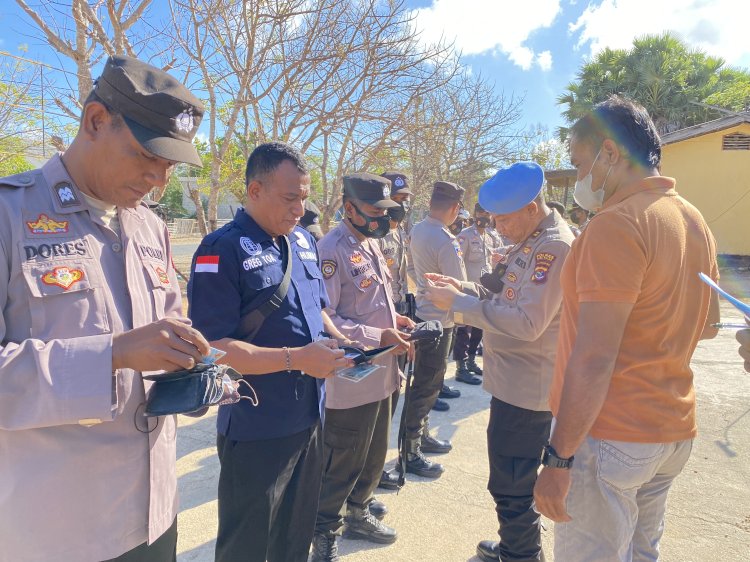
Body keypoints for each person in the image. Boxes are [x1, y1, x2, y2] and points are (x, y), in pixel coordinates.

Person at [0, 55, 211, 561]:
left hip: (155, 513)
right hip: (60, 531)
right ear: (95, 121)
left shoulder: (148, 227)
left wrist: (190, 362)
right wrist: (112, 355)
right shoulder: (10, 215)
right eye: (146, 155)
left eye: (169, 165)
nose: (158, 179)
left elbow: (166, 325)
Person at [533, 95, 721, 562]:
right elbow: (710, 325)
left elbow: (595, 357)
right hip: (670, 429)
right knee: (641, 553)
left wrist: (558, 460)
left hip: (610, 436)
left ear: (610, 153)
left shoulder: (615, 225)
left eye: (578, 164)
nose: (578, 179)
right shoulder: (693, 220)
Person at [187, 142, 352, 562]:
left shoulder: (300, 240)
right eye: (290, 197)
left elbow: (315, 309)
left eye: (304, 196)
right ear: (255, 190)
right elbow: (213, 349)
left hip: (309, 415)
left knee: (293, 538)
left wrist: (346, 342)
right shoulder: (219, 248)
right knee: (248, 545)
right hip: (257, 424)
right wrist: (297, 359)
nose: (300, 209)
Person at [423, 162, 575, 562]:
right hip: (514, 382)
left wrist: (457, 305)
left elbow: (527, 322)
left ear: (531, 206)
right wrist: (463, 288)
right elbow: (506, 295)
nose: (499, 228)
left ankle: (521, 555)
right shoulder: (533, 238)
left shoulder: (554, 246)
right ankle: (517, 546)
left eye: (505, 219)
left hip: (529, 391)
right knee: (512, 477)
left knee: (512, 483)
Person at [310, 173, 414, 561]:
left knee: (373, 455)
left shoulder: (370, 243)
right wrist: (377, 336)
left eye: (385, 212)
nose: (382, 219)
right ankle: (323, 531)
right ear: (348, 208)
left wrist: (398, 323)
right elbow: (325, 318)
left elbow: (375, 301)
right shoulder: (331, 249)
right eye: (374, 211)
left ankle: (359, 511)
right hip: (352, 379)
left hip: (384, 374)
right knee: (343, 461)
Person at [403, 180, 467, 477]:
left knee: (425, 383)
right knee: (427, 385)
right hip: (441, 320)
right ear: (454, 208)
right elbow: (459, 283)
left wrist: (426, 289)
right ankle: (412, 450)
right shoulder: (445, 239)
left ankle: (420, 437)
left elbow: (412, 270)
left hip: (424, 313)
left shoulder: (417, 230)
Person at [453, 203, 503, 385]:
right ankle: (461, 367)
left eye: (487, 212)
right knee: (464, 330)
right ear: (475, 213)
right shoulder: (464, 236)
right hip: (468, 291)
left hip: (486, 292)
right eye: (481, 212)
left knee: (479, 330)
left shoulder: (492, 236)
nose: (484, 216)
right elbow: (458, 263)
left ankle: (472, 361)